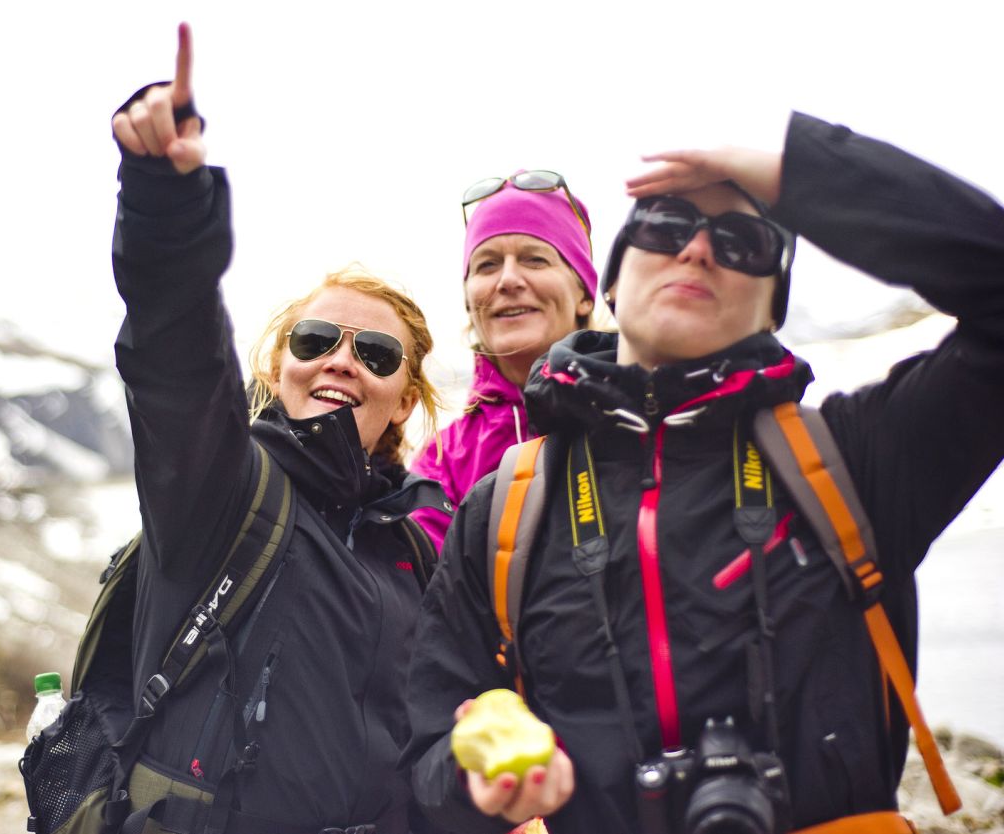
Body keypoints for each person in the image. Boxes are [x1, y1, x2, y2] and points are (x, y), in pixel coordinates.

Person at [404, 113, 1004, 833]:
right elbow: (426, 758)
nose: (695, 249)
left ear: (772, 309)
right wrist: (475, 782)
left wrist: (797, 172)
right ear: (613, 284)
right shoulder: (505, 510)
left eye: (743, 241)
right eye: (664, 226)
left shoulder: (855, 460)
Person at [111, 24, 447, 833]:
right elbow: (173, 359)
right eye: (315, 339)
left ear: (405, 399)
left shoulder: (412, 549)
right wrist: (166, 207)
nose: (341, 360)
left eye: (374, 352)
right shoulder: (220, 490)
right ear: (278, 363)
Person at [410, 171, 598, 549]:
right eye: (487, 265)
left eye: (535, 259)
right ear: (469, 301)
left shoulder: (640, 409)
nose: (508, 280)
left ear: (584, 293)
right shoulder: (443, 462)